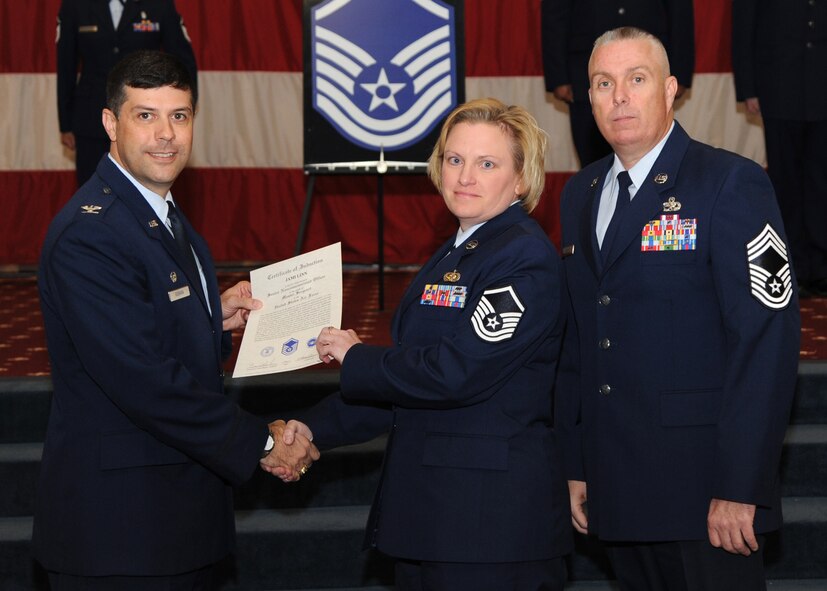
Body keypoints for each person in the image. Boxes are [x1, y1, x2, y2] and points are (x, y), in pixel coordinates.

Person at [34, 50, 318, 590]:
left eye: (179, 116)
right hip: (119, 534)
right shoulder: (91, 234)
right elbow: (143, 381)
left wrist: (211, 317)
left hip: (172, 522)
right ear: (110, 123)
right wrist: (262, 442)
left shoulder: (158, 212)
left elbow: (147, 325)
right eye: (145, 115)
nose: (165, 134)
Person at [268, 98, 573, 590]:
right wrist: (312, 427)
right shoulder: (458, 252)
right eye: (455, 159)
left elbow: (455, 372)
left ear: (521, 179)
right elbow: (405, 384)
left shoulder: (524, 257)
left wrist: (356, 356)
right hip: (435, 520)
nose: (465, 176)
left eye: (487, 164)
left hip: (489, 530)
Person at [557, 27, 800, 590]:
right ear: (589, 98)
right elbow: (578, 341)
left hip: (706, 494)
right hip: (616, 484)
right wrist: (576, 462)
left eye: (636, 79)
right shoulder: (580, 194)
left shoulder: (730, 183)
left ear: (670, 90)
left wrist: (741, 485)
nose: (620, 96)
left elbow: (766, 342)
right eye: (603, 83)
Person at [731, 0, 827, 297]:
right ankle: (791, 267)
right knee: (785, 184)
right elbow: (744, 25)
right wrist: (748, 87)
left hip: (822, 83)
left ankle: (822, 267)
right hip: (777, 85)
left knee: (821, 183)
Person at [57, 0, 197, 186]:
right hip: (91, 118)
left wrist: (184, 113)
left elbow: (184, 64)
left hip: (148, 121)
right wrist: (66, 124)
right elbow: (65, 66)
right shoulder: (76, 5)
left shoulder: (159, 4)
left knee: (147, 189)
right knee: (93, 190)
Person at [540, 0, 694, 167]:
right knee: (593, 165)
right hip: (583, 69)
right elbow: (555, 13)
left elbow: (680, 11)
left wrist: (681, 71)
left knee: (658, 156)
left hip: (651, 57)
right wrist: (558, 76)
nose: (619, 96)